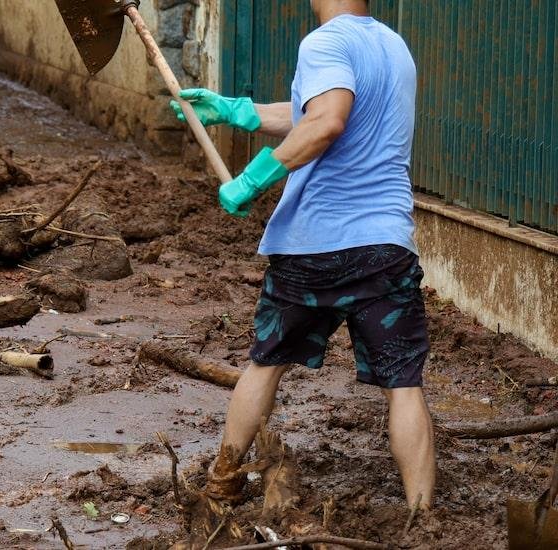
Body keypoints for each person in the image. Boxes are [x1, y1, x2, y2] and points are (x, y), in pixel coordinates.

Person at [170, 0, 435, 510]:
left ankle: (222, 484)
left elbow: (326, 122)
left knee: (266, 364)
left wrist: (252, 180)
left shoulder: (324, 42)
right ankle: (422, 517)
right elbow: (309, 113)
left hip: (314, 247)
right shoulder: (392, 45)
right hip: (385, 245)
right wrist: (236, 111)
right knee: (404, 385)